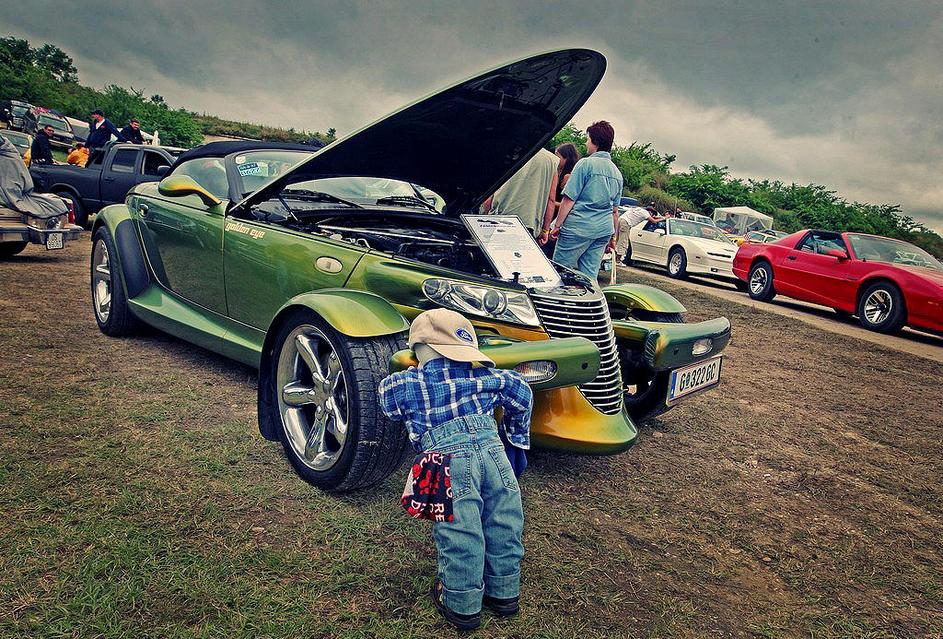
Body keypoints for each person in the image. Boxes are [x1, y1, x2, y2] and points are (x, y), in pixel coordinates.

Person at [378, 308, 532, 631]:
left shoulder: (408, 383)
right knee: (504, 520)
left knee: (461, 529)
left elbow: (385, 402)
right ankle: (504, 592)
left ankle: (462, 604)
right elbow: (522, 392)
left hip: (448, 460)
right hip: (494, 453)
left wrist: (411, 372)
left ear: (419, 350)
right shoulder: (488, 378)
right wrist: (517, 438)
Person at [546, 121, 623, 281]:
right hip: (603, 231)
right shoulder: (617, 173)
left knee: (560, 271)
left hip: (578, 227)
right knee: (589, 277)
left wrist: (556, 226)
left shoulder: (585, 164)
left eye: (588, 139)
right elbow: (615, 211)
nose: (586, 143)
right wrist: (613, 238)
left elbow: (569, 199)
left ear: (596, 142)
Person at [481, 147, 558, 238]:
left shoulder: (509, 150)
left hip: (500, 215)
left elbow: (491, 189)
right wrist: (545, 230)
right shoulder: (552, 160)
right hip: (529, 221)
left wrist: (485, 216)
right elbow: (551, 199)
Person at [0, 137, 68, 217]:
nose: (51, 132)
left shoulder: (9, 158)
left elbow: (13, 186)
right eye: (50, 131)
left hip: (15, 189)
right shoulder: (11, 154)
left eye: (52, 131)